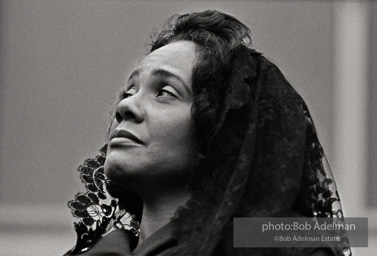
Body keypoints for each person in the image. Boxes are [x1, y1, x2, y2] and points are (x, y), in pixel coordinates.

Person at [65, 10, 351, 256]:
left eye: (164, 92)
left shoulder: (292, 246)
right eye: (129, 91)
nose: (125, 105)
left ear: (222, 129)